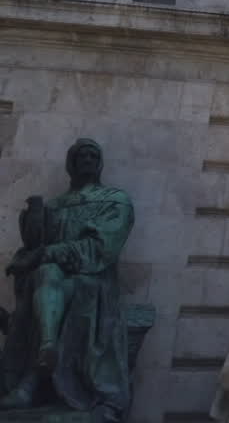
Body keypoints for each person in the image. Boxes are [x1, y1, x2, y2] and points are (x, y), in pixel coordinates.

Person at [0, 139, 134, 421]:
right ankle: (46, 348)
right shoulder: (55, 205)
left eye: (92, 154)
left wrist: (42, 254)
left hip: (94, 282)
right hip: (50, 282)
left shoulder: (116, 200)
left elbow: (101, 249)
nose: (86, 158)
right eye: (81, 155)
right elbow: (35, 250)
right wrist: (33, 225)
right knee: (46, 275)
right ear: (71, 164)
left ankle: (30, 383)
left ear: (99, 163)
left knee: (56, 281)